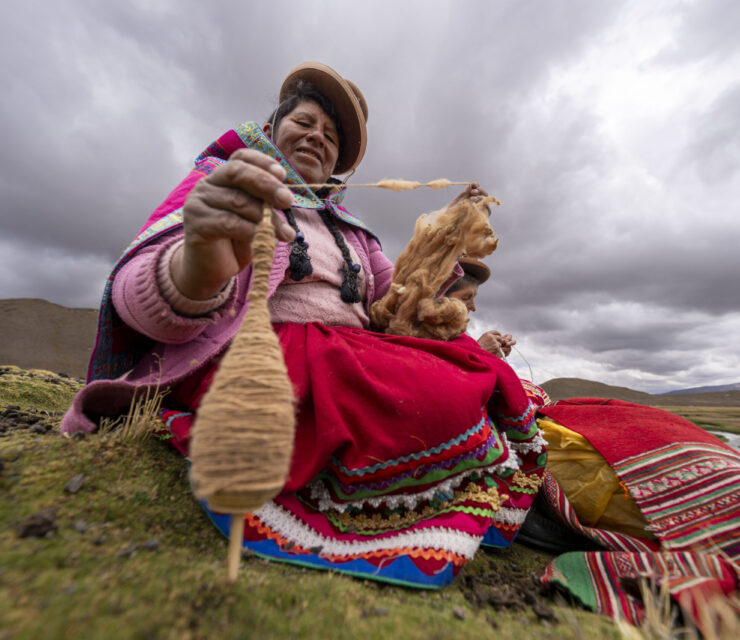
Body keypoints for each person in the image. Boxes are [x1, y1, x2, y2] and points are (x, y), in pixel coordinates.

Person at [61, 62, 545, 588]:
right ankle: (468, 492)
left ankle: (499, 490)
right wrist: (195, 269)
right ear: (271, 130)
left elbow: (398, 303)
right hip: (266, 355)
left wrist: (447, 233)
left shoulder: (355, 234)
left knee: (479, 369)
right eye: (305, 122)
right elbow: (137, 296)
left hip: (353, 352)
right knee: (437, 395)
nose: (318, 137)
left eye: (331, 137)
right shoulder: (224, 188)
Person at [446, 256, 516, 358]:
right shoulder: (419, 334)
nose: (473, 308)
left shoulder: (460, 336)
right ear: (440, 296)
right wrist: (479, 350)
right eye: (465, 298)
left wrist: (493, 354)